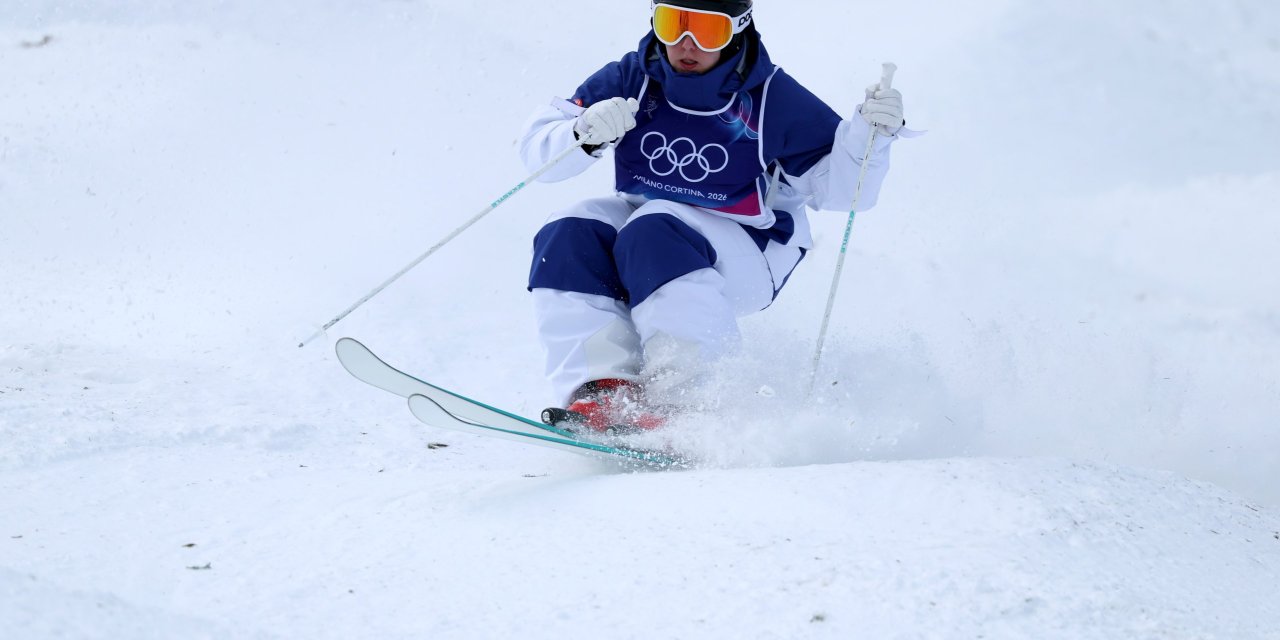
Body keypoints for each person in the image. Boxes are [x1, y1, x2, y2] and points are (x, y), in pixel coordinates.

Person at [519, 0, 905, 432]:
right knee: (570, 229)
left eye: (707, 30)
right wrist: (581, 132)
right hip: (647, 235)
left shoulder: (770, 98)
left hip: (752, 250)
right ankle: (604, 391)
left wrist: (870, 140)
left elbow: (846, 193)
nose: (687, 44)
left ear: (736, 30)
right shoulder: (633, 79)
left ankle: (690, 405)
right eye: (673, 24)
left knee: (655, 228)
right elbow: (537, 157)